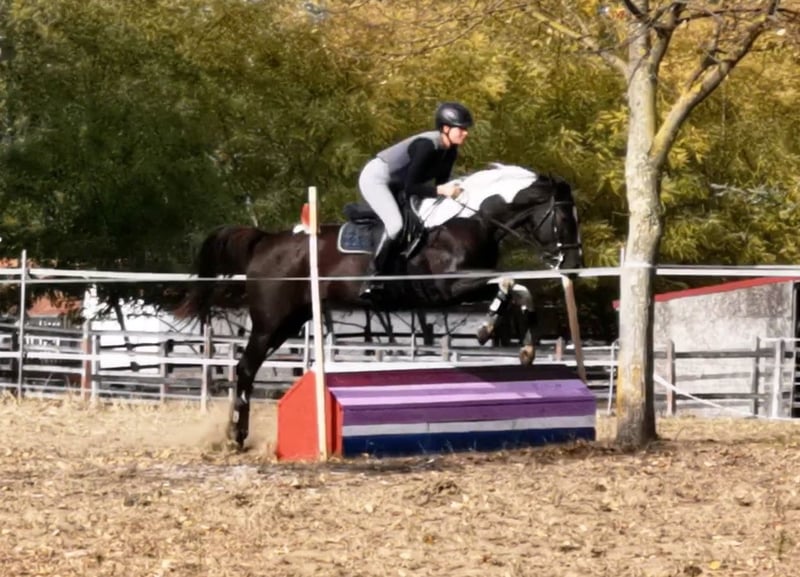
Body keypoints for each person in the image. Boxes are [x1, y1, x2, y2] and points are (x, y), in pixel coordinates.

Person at [357, 101, 473, 299]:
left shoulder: (450, 151)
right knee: (396, 225)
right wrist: (442, 190)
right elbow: (412, 187)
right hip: (376, 178)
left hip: (397, 184)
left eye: (466, 129)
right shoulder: (427, 146)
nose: (465, 133)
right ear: (446, 128)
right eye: (461, 129)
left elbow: (441, 183)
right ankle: (373, 278)